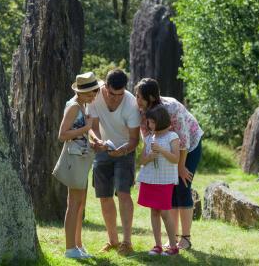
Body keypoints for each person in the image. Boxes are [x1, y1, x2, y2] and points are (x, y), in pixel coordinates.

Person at [134, 78, 203, 250]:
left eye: (140, 97)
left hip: (189, 145)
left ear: (151, 97)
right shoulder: (142, 112)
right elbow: (147, 138)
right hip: (165, 147)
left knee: (182, 186)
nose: (137, 100)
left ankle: (186, 238)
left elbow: (184, 140)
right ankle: (174, 237)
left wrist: (181, 166)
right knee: (168, 189)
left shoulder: (172, 107)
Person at [88, 69, 141, 256]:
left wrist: (123, 150)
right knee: (104, 196)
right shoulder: (94, 96)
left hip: (125, 151)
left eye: (119, 95)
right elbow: (92, 128)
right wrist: (96, 140)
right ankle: (112, 240)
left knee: (124, 193)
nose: (115, 98)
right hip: (103, 149)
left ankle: (126, 242)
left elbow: (135, 139)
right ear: (105, 86)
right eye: (111, 94)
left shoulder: (131, 104)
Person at [57, 71, 103, 259]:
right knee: (74, 204)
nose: (94, 96)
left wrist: (95, 139)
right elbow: (62, 135)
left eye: (95, 91)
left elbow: (83, 130)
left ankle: (78, 244)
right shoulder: (74, 107)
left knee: (79, 203)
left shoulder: (81, 104)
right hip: (74, 158)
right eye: (91, 92)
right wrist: (87, 128)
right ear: (81, 92)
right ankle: (70, 249)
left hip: (82, 156)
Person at [137, 105, 181, 256]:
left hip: (165, 180)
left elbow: (175, 159)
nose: (149, 125)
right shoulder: (149, 138)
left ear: (161, 121)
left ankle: (173, 246)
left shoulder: (172, 137)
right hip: (150, 179)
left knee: (164, 212)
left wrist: (161, 151)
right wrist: (150, 157)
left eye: (152, 122)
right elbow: (141, 161)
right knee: (154, 211)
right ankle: (157, 245)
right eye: (148, 122)